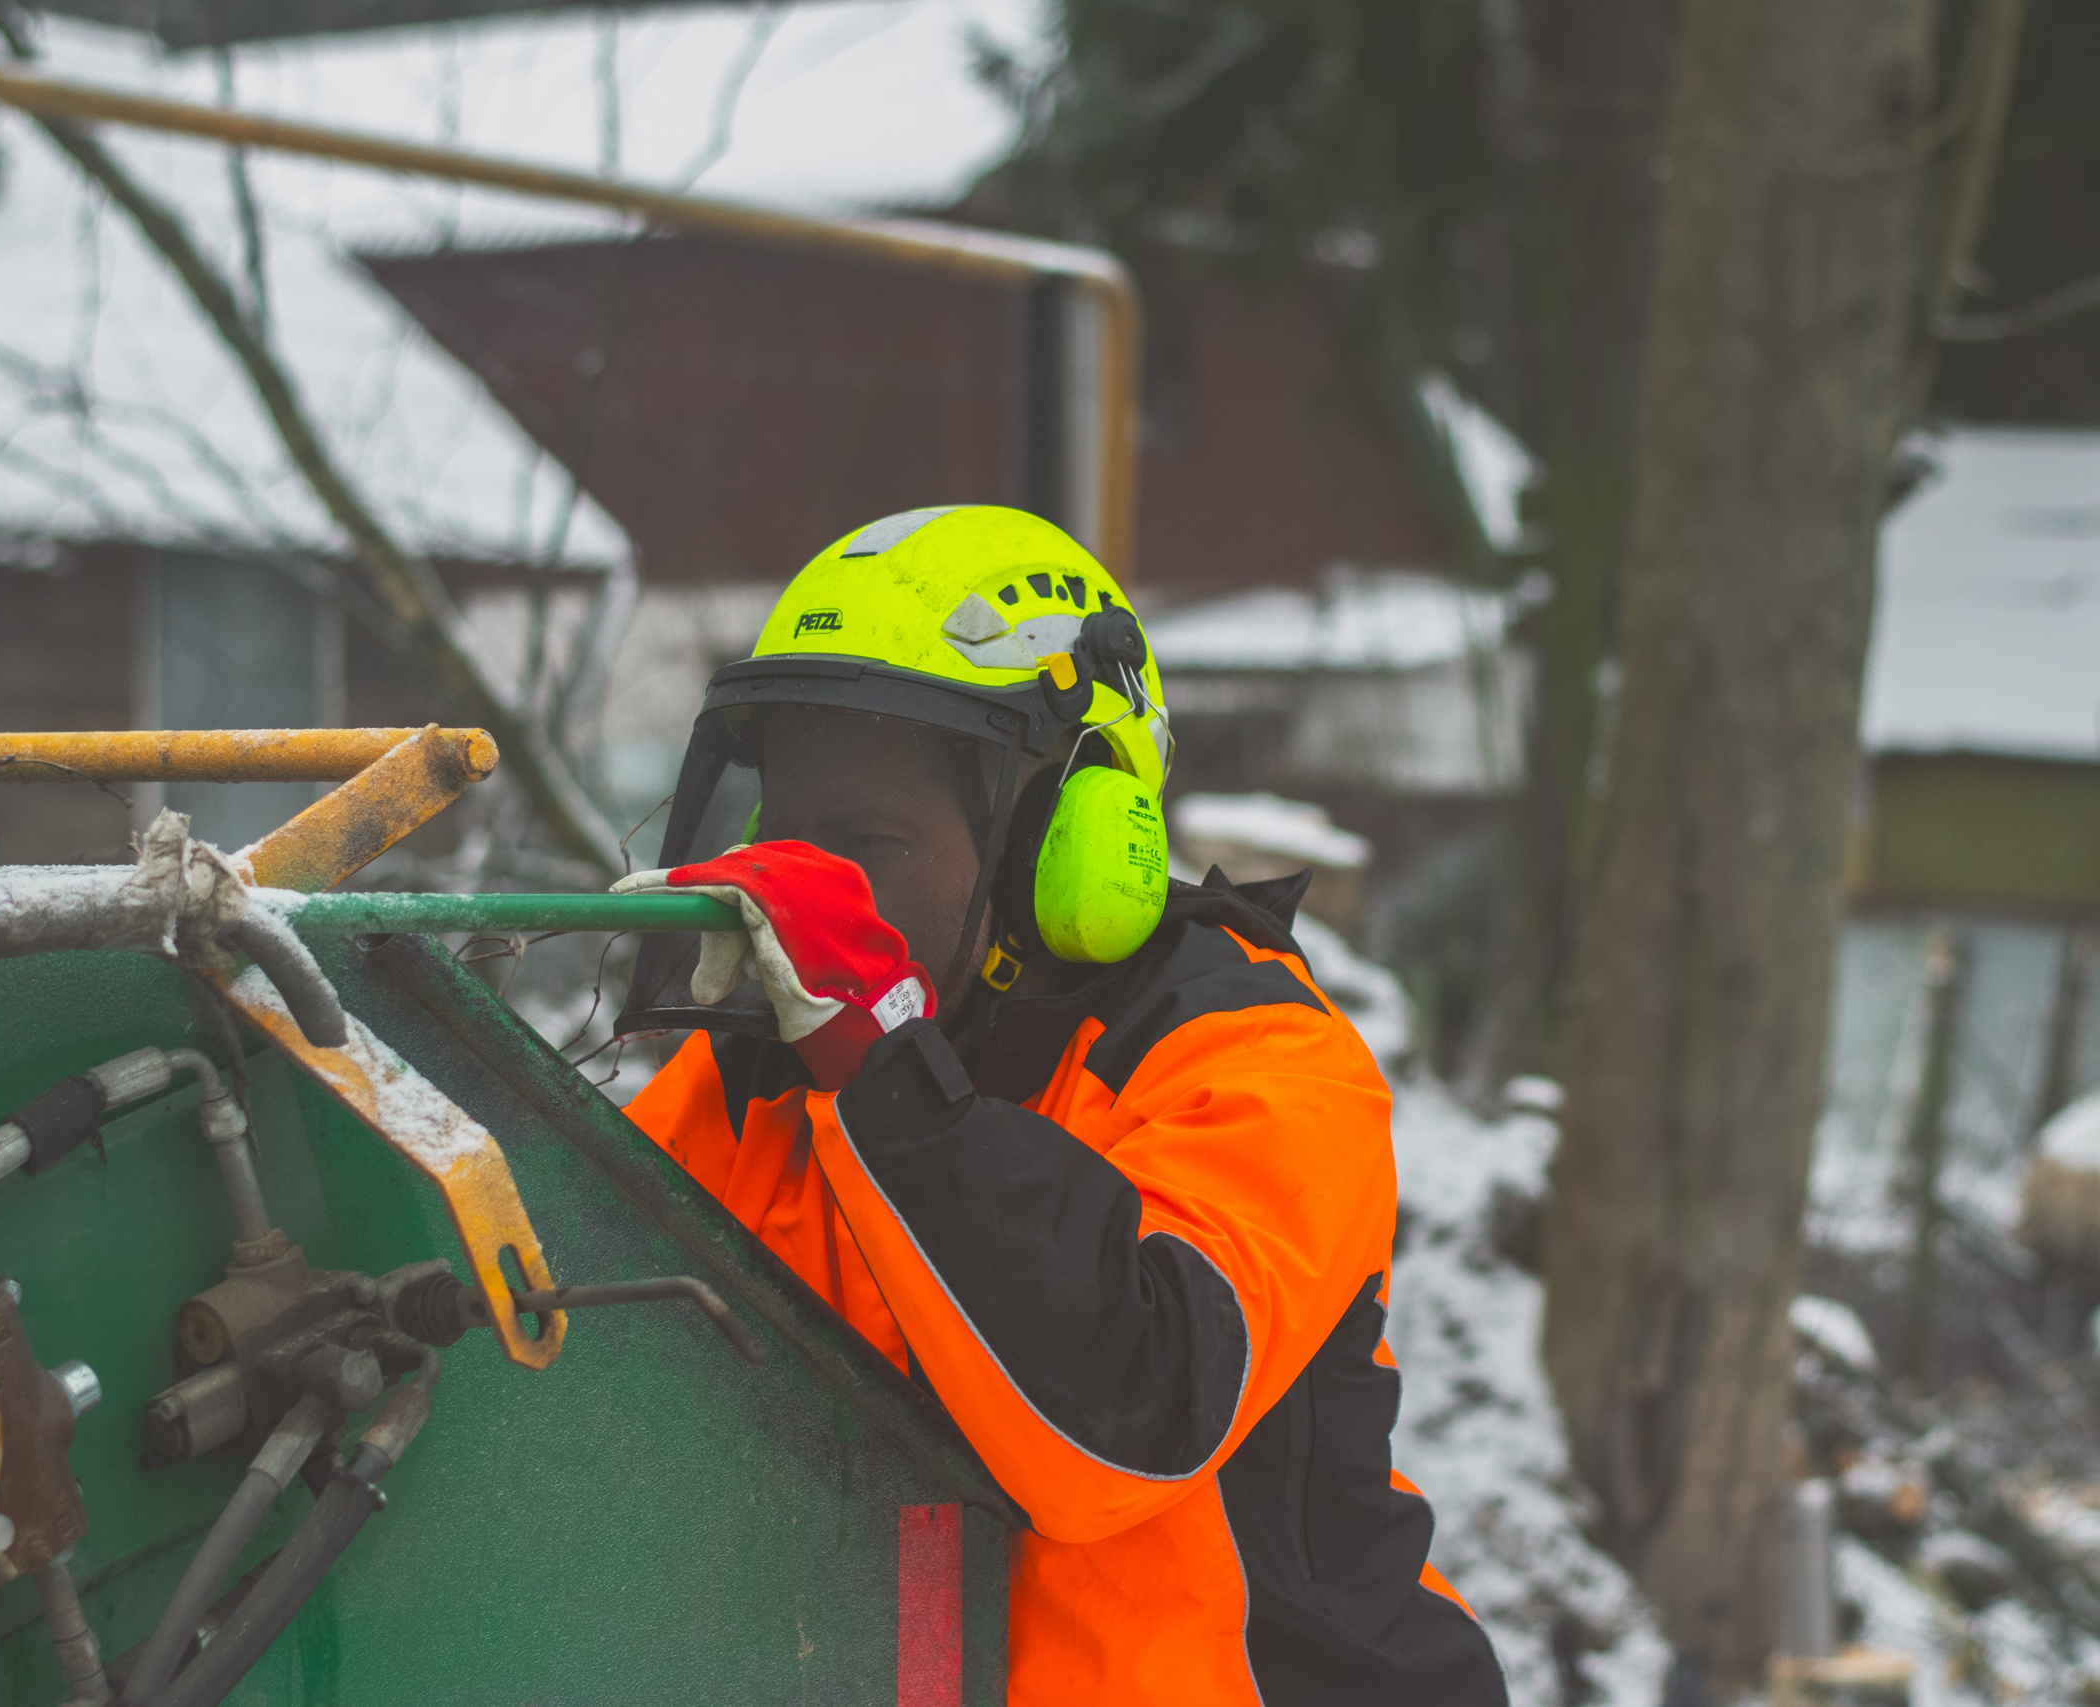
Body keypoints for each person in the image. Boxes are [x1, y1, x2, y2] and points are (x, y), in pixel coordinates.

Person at [613, 505, 1508, 1705]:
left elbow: (1126, 1424)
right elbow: (562, 1326)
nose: (800, 884)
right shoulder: (763, 1082)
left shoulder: (1258, 1061)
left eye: (867, 840)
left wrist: (879, 1062)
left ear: (1065, 839)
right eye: (786, 831)